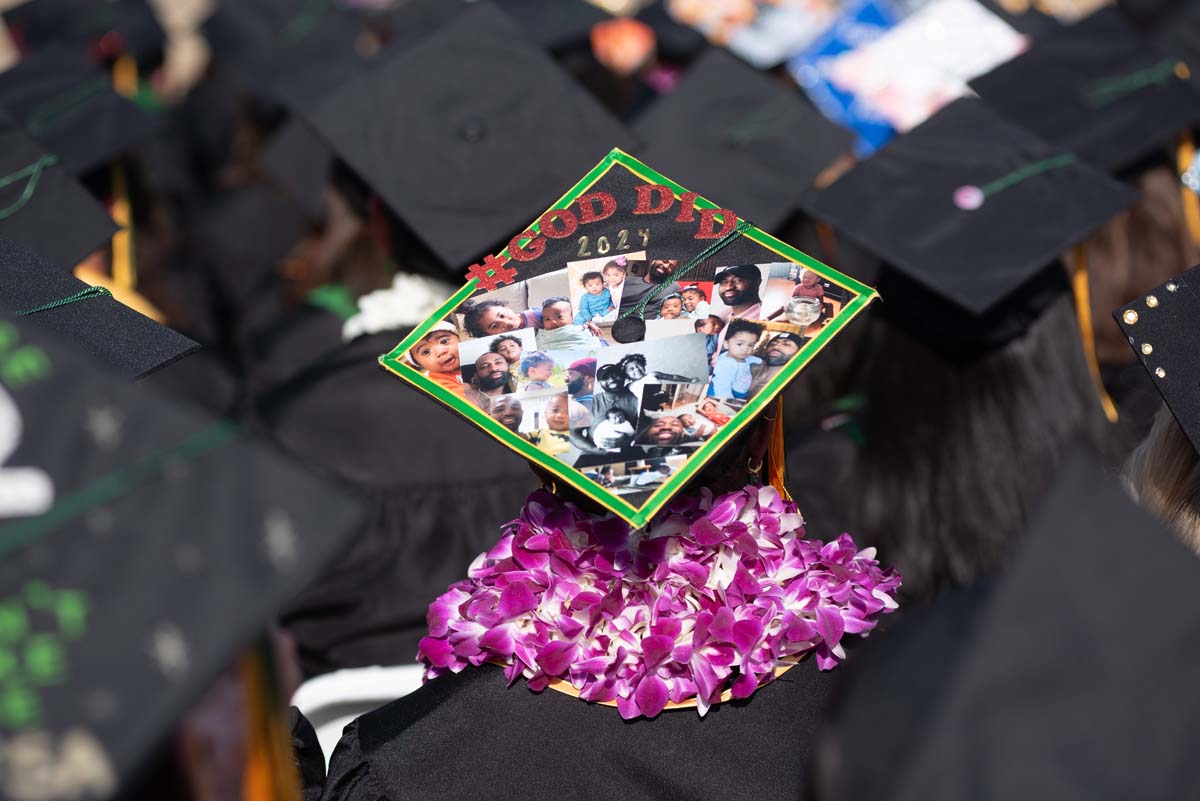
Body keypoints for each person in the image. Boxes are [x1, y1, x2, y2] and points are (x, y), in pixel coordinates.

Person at [405, 321, 464, 397]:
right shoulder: (437, 383)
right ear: (419, 364)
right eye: (426, 352)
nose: (441, 351)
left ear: (460, 338)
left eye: (444, 341)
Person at [710, 319, 764, 399]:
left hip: (739, 393)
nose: (745, 349)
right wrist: (730, 403)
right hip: (723, 394)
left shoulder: (744, 357)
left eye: (750, 345)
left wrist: (762, 362)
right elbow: (721, 388)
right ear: (726, 344)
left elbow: (753, 359)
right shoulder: (726, 364)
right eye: (740, 344)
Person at [616, 258, 682, 319]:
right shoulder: (626, 281)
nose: (666, 266)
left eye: (671, 267)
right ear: (653, 261)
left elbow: (680, 311)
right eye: (664, 261)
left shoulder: (672, 287)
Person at [536, 297, 605, 350]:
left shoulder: (580, 329)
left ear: (572, 316)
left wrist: (589, 325)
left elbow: (582, 328)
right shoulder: (542, 334)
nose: (553, 321)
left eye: (559, 317)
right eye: (547, 319)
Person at [748, 332, 804, 397]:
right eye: (772, 344)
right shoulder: (748, 366)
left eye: (786, 344)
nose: (776, 346)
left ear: (799, 352)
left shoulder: (791, 382)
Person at [460, 299, 543, 337]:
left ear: (507, 308)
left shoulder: (536, 315)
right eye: (495, 326)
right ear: (489, 334)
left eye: (502, 316)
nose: (506, 323)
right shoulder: (508, 340)